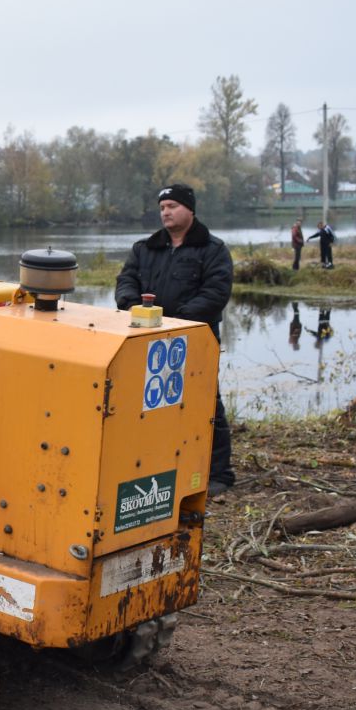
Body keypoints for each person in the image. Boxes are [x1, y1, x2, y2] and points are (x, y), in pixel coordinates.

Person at [115, 182, 235, 494]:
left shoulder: (213, 250)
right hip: (147, 339)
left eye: (172, 206)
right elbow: (126, 280)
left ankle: (220, 475)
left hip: (196, 340)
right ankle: (160, 465)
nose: (166, 213)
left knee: (207, 403)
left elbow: (216, 292)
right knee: (151, 402)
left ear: (190, 209)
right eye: (162, 208)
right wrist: (131, 305)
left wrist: (177, 319)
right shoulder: (145, 248)